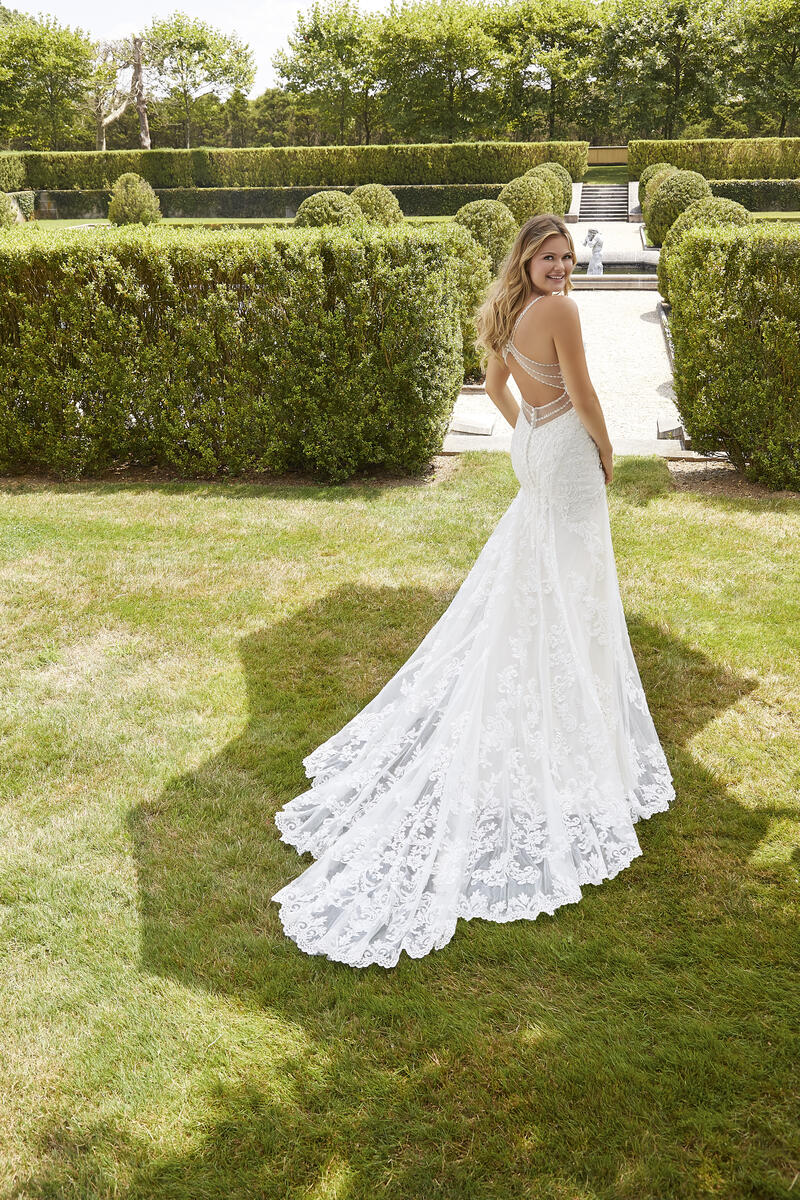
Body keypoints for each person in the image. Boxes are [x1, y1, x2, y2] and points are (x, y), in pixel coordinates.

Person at [271, 214, 675, 969]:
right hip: (565, 453)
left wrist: (531, 432)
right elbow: (584, 392)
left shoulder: (508, 312)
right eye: (549, 257)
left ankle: (556, 710)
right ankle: (573, 731)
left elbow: (495, 385)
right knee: (576, 589)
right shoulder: (559, 311)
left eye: (566, 258)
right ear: (525, 259)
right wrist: (605, 451)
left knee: (543, 585)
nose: (562, 268)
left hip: (537, 448)